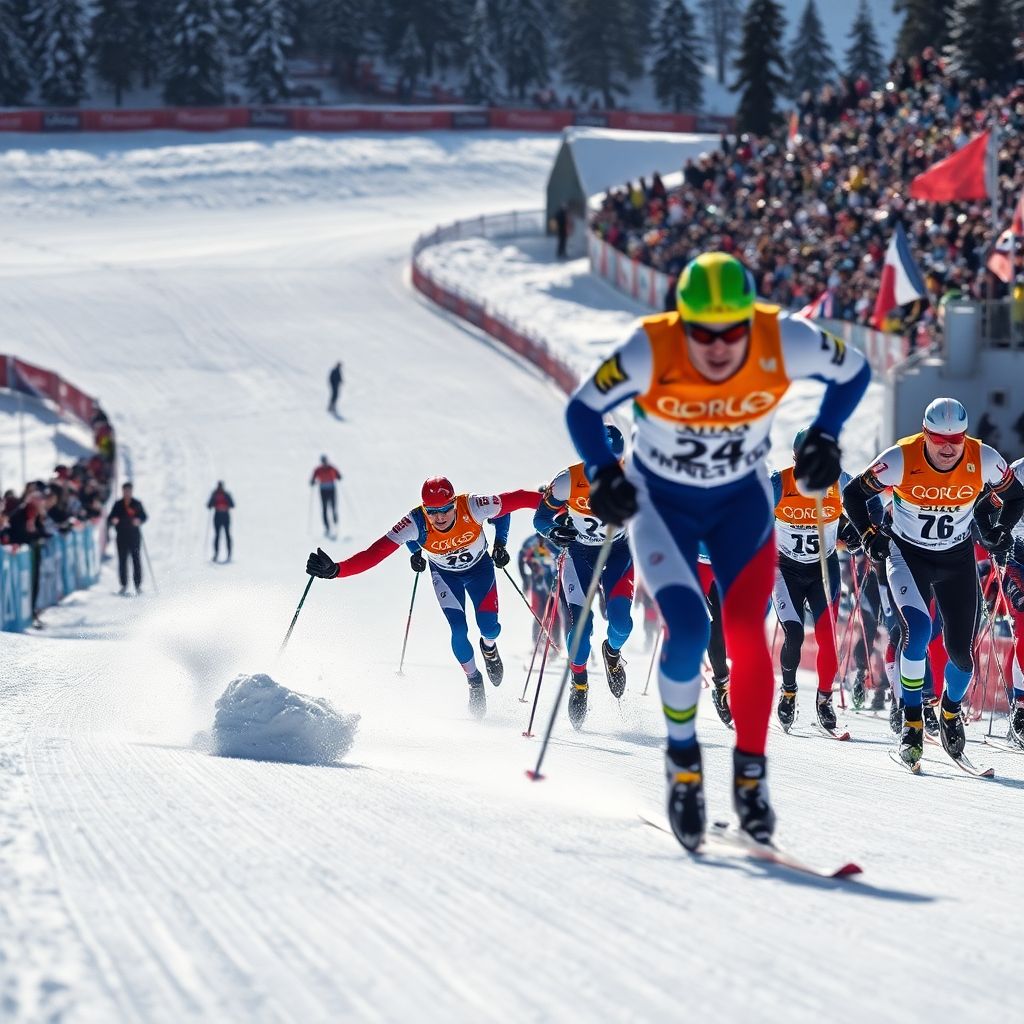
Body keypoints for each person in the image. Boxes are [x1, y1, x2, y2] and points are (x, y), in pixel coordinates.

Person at [563, 251, 870, 850]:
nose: (720, 345)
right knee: (687, 629)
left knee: (745, 632)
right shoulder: (650, 346)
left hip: (740, 504)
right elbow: (582, 407)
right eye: (704, 332)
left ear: (749, 317)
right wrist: (603, 472)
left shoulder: (783, 336)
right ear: (682, 320)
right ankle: (684, 766)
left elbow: (853, 371)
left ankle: (751, 780)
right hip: (662, 506)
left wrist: (828, 434)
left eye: (733, 330)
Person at [843, 398, 1024, 769]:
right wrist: (868, 533)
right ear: (925, 434)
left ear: (965, 435)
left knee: (962, 654)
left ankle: (950, 712)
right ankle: (911, 720)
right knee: (919, 631)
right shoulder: (899, 458)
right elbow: (853, 494)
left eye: (955, 438)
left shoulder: (984, 458)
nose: (947, 446)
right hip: (908, 556)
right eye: (939, 438)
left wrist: (999, 530)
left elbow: (1015, 496)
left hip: (956, 559)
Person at [305, 477, 540, 718]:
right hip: (446, 576)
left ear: (453, 503)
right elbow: (374, 553)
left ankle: (489, 648)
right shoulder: (414, 521)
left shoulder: (472, 505)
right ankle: (474, 680)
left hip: (480, 570)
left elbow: (517, 501)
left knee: (490, 628)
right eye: (432, 512)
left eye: (445, 510)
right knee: (458, 630)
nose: (439, 517)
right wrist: (337, 570)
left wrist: (503, 541)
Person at [534, 424, 635, 728]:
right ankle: (579, 682)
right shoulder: (567, 481)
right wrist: (554, 531)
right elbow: (540, 518)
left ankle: (612, 654)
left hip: (618, 552)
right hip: (580, 555)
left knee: (621, 623)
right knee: (581, 629)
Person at [770, 429, 864, 733]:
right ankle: (788, 691)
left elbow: (868, 508)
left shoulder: (840, 481)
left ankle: (824, 701)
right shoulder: (778, 482)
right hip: (785, 569)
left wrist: (858, 531)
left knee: (828, 639)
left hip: (822, 570)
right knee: (795, 634)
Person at [518, 532, 562, 647]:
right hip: (537, 586)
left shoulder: (555, 539)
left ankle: (556, 644)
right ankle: (536, 645)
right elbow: (520, 557)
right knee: (539, 614)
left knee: (555, 615)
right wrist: (525, 579)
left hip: (554, 584)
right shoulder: (531, 542)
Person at [108, 481, 148, 595]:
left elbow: (144, 516)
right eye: (125, 491)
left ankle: (137, 585)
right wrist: (113, 520)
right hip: (121, 536)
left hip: (134, 536)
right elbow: (110, 518)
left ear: (131, 491)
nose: (127, 493)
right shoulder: (118, 504)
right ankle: (124, 584)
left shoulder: (137, 503)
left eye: (129, 491)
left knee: (136, 560)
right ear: (123, 491)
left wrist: (139, 520)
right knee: (122, 561)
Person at [310, 455, 342, 537]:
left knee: (333, 507)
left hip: (331, 489)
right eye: (323, 461)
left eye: (325, 461)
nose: (324, 463)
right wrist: (312, 481)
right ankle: (327, 527)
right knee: (324, 508)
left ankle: (335, 524)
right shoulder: (318, 469)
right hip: (323, 490)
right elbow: (313, 479)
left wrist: (338, 476)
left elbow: (338, 475)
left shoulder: (332, 468)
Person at [207, 481, 235, 562]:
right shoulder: (214, 494)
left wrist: (225, 505)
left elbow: (232, 505)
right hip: (218, 516)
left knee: (227, 535)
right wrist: (214, 502)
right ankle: (216, 554)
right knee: (217, 536)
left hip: (225, 516)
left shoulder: (226, 494)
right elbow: (209, 505)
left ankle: (229, 554)